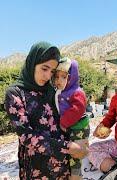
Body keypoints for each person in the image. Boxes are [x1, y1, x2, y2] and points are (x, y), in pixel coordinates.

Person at [4, 42, 88, 179]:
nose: (48, 76)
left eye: (52, 72)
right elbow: (27, 137)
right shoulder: (15, 93)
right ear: (32, 63)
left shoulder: (52, 91)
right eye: (44, 69)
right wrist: (69, 147)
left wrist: (79, 140)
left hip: (63, 167)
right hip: (38, 169)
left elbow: (66, 117)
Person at [53, 57, 90, 179]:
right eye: (57, 77)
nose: (59, 80)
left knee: (77, 151)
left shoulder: (76, 92)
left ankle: (77, 175)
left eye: (64, 77)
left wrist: (63, 122)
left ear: (72, 77)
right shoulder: (62, 91)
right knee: (72, 149)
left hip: (79, 127)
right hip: (71, 127)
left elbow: (77, 110)